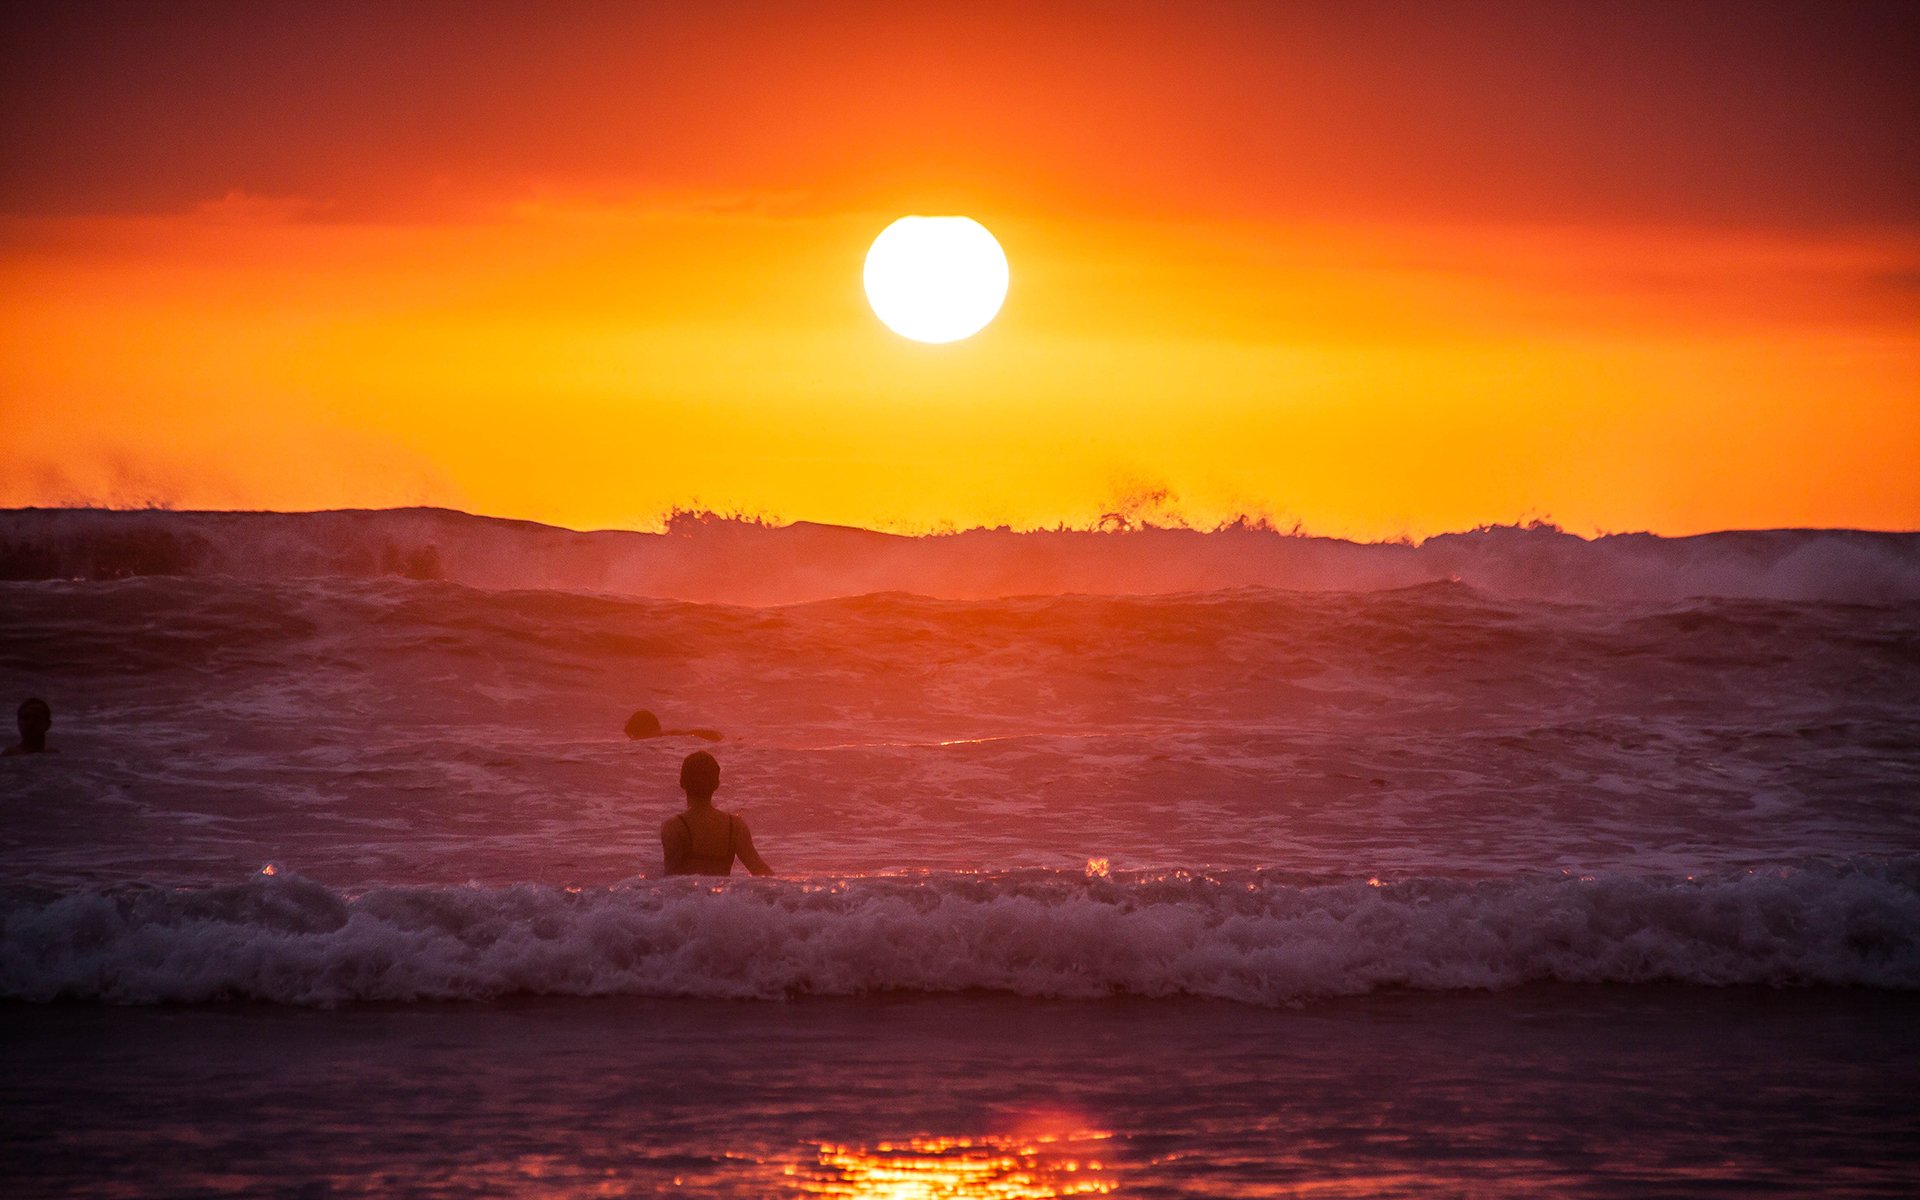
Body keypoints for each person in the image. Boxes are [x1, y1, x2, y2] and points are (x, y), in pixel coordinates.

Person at [660, 751, 771, 876]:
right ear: (716, 784)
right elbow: (762, 872)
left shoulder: (674, 827)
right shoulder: (735, 827)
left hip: (691, 895)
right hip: (723, 895)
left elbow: (669, 882)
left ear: (682, 782)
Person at [624, 709, 723, 742]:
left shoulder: (668, 738)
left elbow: (692, 734)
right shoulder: (667, 736)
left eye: (633, 736)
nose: (632, 740)